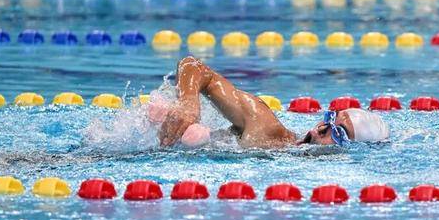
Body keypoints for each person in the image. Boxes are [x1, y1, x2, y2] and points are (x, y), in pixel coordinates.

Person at [155, 56, 390, 149]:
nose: (321, 128)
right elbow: (193, 66)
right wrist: (188, 103)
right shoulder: (264, 126)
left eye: (339, 132)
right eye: (330, 118)